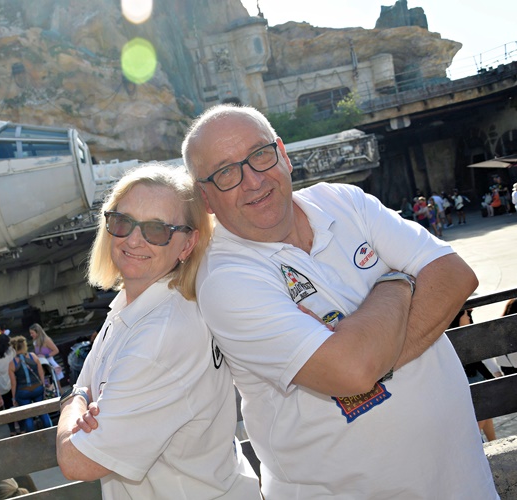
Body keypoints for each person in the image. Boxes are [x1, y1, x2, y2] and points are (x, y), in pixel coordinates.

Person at [181, 104, 497, 498]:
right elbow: (352, 371)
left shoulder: (341, 200)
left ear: (283, 154)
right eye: (226, 173)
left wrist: (368, 357)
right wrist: (397, 280)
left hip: (463, 482)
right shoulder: (226, 279)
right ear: (206, 198)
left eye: (260, 154)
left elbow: (455, 274)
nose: (253, 180)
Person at [56, 163, 260, 498]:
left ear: (187, 244)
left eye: (157, 229)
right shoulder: (133, 307)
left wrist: (72, 403)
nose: (134, 239)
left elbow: (78, 461)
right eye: (123, 222)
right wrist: (83, 399)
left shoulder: (160, 336)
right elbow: (87, 383)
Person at [451, 309, 497, 442]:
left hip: (472, 372)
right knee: (481, 412)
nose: (469, 318)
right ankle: (474, 442)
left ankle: (492, 441)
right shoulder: (459, 322)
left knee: (485, 412)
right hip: (469, 375)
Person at [9, 336, 52, 432]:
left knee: (28, 416)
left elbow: (13, 383)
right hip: (37, 388)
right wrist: (43, 386)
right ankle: (50, 431)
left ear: (14, 348)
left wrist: (14, 398)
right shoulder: (33, 356)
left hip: (23, 391)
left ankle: (32, 436)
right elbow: (41, 373)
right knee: (43, 412)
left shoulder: (12, 363)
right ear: (24, 346)